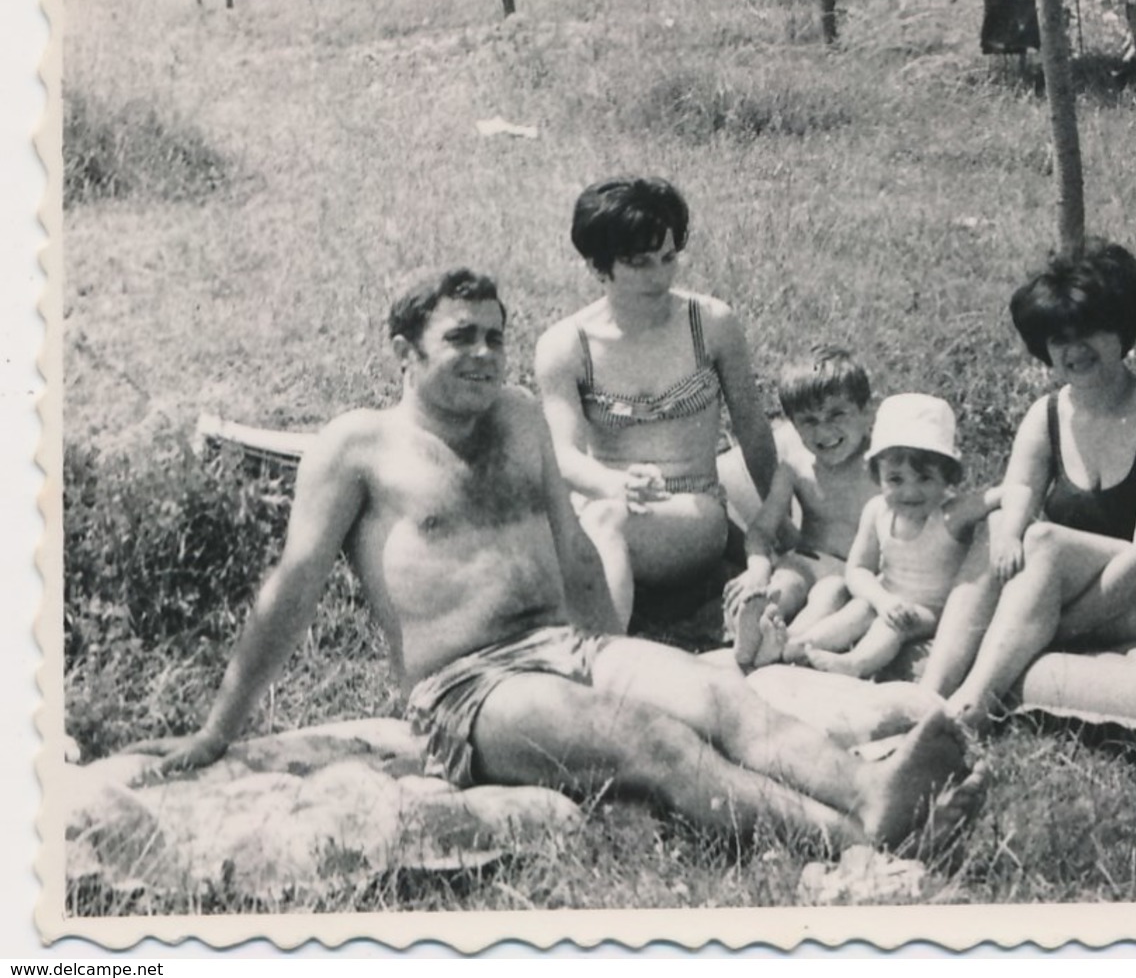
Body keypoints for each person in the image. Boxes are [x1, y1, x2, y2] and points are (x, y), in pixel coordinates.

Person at [138, 268, 986, 853]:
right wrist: (221, 728)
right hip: (468, 691)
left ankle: (872, 791)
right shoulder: (357, 448)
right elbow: (291, 590)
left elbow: (575, 549)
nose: (482, 354)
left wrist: (615, 654)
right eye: (459, 337)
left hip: (567, 646)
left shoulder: (515, 417)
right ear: (404, 349)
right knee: (650, 741)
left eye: (495, 338)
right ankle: (856, 839)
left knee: (719, 696)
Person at [921, 241, 1136, 729]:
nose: (1073, 350)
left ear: (1122, 331)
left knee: (1044, 541)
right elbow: (1018, 495)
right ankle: (927, 694)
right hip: (1094, 572)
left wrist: (1058, 628)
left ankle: (972, 707)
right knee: (1001, 527)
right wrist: (1007, 539)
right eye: (1057, 338)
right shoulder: (1046, 414)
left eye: (1089, 331)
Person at [534, 178, 778, 632]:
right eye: (639, 263)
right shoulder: (567, 345)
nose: (660, 276)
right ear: (597, 266)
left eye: (668, 258)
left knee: (603, 521)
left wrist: (776, 524)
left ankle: (603, 657)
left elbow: (753, 429)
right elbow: (563, 456)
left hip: (692, 508)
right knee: (587, 516)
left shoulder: (711, 323)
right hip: (602, 497)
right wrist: (612, 483)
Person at [777, 394, 1001, 679]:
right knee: (857, 611)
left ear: (948, 477)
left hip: (931, 609)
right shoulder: (877, 511)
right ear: (876, 475)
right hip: (888, 595)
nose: (910, 492)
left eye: (925, 478)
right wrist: (881, 599)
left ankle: (855, 665)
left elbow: (1008, 493)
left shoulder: (951, 514)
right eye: (895, 480)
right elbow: (857, 570)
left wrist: (1009, 533)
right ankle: (797, 647)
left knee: (893, 625)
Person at [723, 347, 878, 669]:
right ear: (792, 425)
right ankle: (755, 627)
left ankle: (787, 642)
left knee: (831, 592)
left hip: (854, 573)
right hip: (807, 558)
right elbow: (762, 530)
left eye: (837, 415)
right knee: (781, 585)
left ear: (867, 411)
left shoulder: (881, 466)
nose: (823, 431)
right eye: (809, 421)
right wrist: (757, 569)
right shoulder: (796, 467)